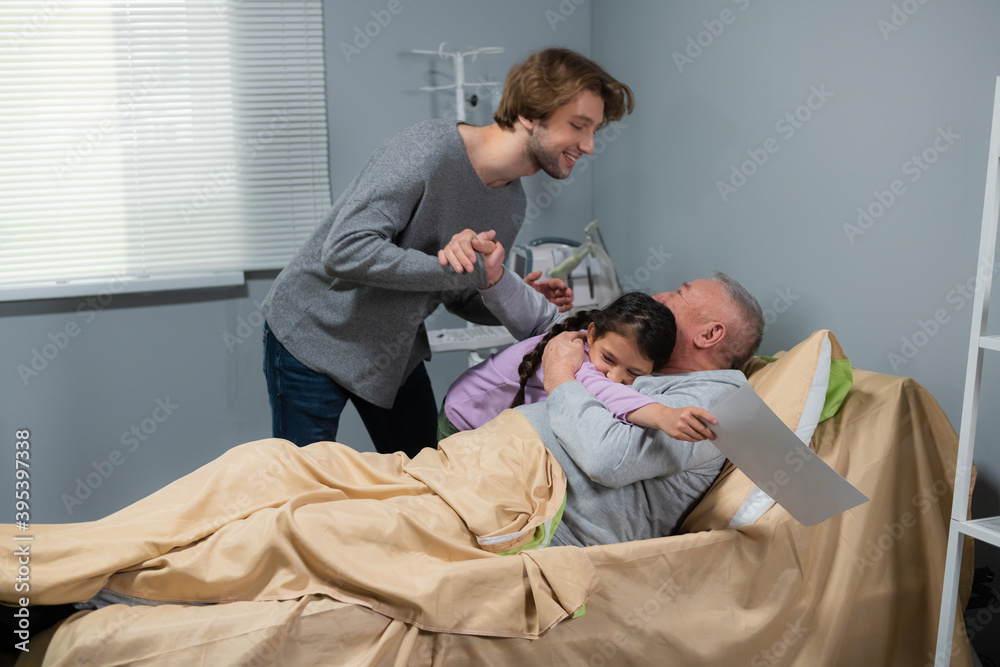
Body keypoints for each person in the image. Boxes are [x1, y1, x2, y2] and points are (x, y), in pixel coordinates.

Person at [260, 47, 635, 456]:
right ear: (529, 113)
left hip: (393, 353)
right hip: (315, 335)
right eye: (578, 126)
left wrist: (505, 293)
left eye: (595, 130)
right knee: (301, 480)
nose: (589, 145)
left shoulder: (512, 203)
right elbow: (345, 250)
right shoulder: (429, 150)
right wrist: (466, 272)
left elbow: (456, 294)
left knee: (429, 473)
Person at [508, 272, 765, 547]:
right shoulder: (642, 365)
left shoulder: (713, 399)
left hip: (546, 528)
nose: (659, 297)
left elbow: (607, 459)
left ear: (709, 334)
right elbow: (553, 325)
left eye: (679, 293)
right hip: (514, 486)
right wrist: (499, 282)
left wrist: (559, 376)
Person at [439, 291, 718, 444]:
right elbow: (606, 391)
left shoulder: (605, 349)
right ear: (592, 334)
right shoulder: (575, 356)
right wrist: (664, 415)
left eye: (633, 373)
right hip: (463, 417)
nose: (615, 377)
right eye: (608, 359)